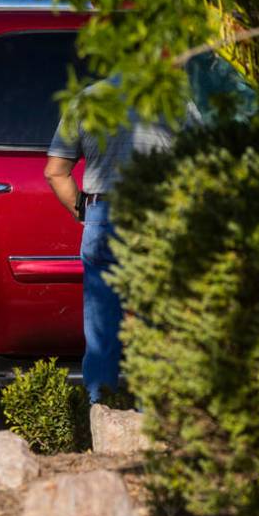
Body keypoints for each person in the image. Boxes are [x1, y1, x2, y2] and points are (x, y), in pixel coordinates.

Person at [43, 82, 196, 403]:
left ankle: (101, 411)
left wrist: (84, 213)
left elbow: (56, 171)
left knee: (101, 328)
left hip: (102, 215)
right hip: (156, 214)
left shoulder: (86, 100)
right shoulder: (172, 97)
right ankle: (151, 418)